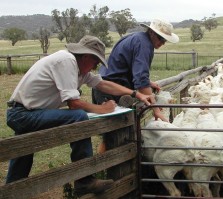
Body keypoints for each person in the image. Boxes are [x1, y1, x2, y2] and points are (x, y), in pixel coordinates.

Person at [5, 35, 155, 195]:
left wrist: (135, 93)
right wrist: (102, 109)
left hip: (27, 112)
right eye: (95, 62)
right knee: (78, 116)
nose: (95, 67)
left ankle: (11, 190)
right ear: (86, 56)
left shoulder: (79, 69)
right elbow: (74, 104)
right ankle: (84, 181)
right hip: (22, 114)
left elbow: (103, 84)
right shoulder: (66, 61)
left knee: (23, 151)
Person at [92, 18, 179, 121]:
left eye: (165, 40)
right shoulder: (144, 45)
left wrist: (149, 82)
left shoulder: (136, 38)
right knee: (119, 126)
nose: (163, 43)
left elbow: (128, 69)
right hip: (110, 90)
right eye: (161, 38)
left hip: (106, 86)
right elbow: (141, 80)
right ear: (151, 32)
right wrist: (156, 110)